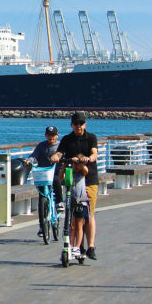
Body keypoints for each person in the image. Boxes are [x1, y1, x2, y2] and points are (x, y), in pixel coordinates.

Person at [52, 112, 98, 261]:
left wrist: (89, 158)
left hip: (89, 180)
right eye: (75, 124)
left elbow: (94, 153)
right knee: (74, 216)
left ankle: (90, 246)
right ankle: (77, 246)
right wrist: (56, 157)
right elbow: (60, 152)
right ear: (71, 125)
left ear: (85, 124)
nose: (78, 126)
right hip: (73, 181)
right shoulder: (67, 139)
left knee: (88, 215)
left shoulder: (91, 138)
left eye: (81, 123)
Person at [27, 125, 61, 236]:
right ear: (45, 135)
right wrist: (29, 160)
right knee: (42, 199)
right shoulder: (41, 146)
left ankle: (59, 203)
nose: (51, 137)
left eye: (53, 135)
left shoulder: (60, 146)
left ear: (57, 135)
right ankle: (42, 227)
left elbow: (64, 155)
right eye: (49, 135)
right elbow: (34, 156)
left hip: (55, 173)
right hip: (43, 174)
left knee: (57, 181)